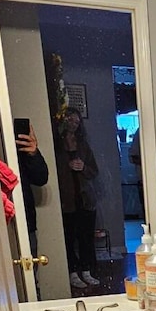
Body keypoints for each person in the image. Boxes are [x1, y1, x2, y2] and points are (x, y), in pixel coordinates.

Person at [55, 111, 100, 290]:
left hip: (85, 198)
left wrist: (83, 167)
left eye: (77, 121)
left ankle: (86, 271)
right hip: (66, 200)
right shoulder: (57, 145)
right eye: (70, 120)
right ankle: (72, 272)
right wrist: (66, 166)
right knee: (68, 237)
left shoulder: (83, 145)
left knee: (86, 237)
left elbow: (94, 171)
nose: (73, 123)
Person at [15, 122, 49, 298]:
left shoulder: (16, 148)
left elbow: (41, 177)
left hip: (25, 221)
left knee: (29, 278)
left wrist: (33, 153)